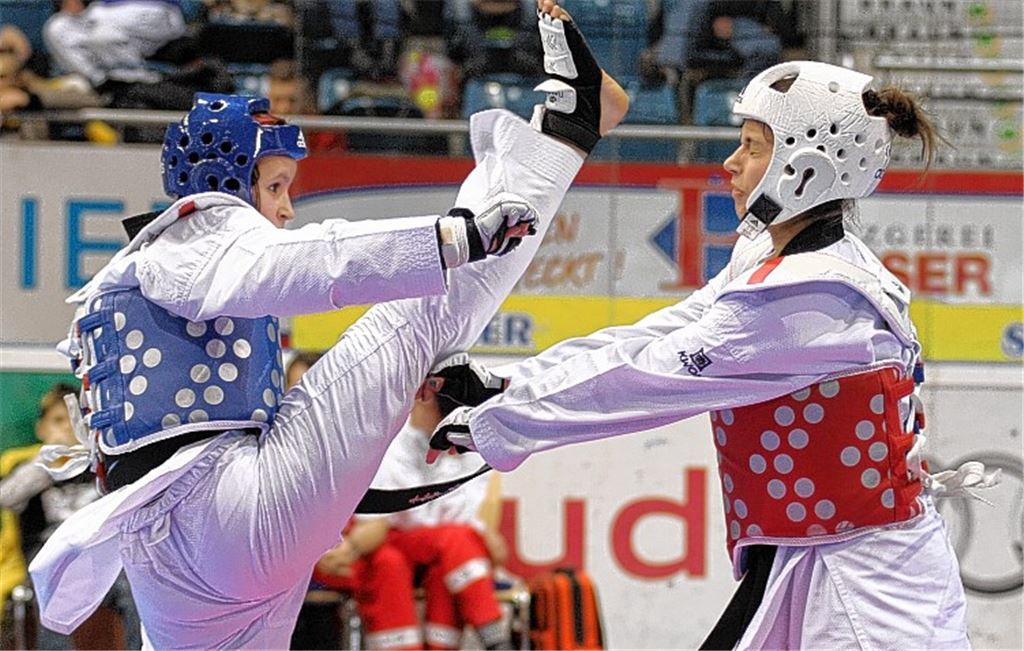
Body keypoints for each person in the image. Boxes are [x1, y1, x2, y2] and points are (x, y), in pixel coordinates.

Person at [29, 2, 630, 648]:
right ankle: (566, 128)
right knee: (419, 314)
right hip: (219, 515)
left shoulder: (137, 273)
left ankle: (568, 128)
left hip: (173, 567)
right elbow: (320, 261)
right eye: (278, 187)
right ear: (227, 184)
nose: (286, 210)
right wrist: (451, 238)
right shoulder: (196, 230)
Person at [429, 59, 999, 649]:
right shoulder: (779, 263)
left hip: (867, 586)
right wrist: (507, 385)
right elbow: (658, 335)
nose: (730, 162)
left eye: (752, 147)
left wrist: (500, 425)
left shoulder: (808, 298)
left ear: (805, 167)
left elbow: (651, 380)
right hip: (811, 558)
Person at [316, 380, 511, 650]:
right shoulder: (386, 441)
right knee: (405, 556)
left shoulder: (471, 449)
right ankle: (495, 638)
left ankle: (481, 640)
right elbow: (380, 524)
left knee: (449, 555)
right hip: (361, 545)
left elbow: (455, 520)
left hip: (412, 546)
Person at [0, 382, 142, 650]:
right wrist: (49, 462)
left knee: (134, 587)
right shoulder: (29, 466)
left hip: (99, 553)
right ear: (41, 429)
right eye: (57, 421)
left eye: (73, 421)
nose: (66, 428)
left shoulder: (100, 464)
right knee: (51, 593)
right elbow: (7, 497)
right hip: (50, 554)